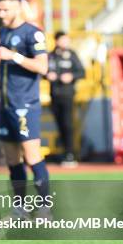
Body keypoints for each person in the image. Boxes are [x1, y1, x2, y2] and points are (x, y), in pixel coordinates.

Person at [0, 0, 51, 221]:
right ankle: (21, 209)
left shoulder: (33, 33)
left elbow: (42, 68)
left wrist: (15, 56)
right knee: (12, 160)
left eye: (5, 9)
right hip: (6, 105)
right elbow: (5, 70)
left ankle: (44, 207)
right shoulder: (4, 32)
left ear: (18, 7)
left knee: (32, 156)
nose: (1, 14)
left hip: (25, 105)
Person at [47, 31, 85, 167]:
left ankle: (71, 154)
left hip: (68, 95)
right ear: (57, 41)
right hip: (54, 95)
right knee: (60, 125)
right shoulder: (50, 56)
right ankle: (64, 153)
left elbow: (82, 72)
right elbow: (42, 70)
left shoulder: (72, 55)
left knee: (68, 125)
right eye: (63, 40)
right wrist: (47, 75)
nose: (65, 43)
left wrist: (71, 76)